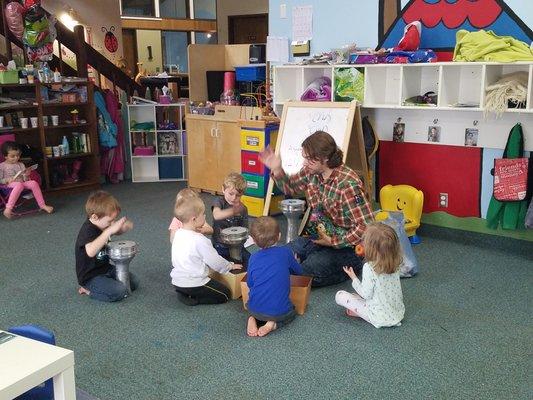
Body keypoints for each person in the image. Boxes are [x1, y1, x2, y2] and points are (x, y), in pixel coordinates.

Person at [259, 131, 374, 287]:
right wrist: (278, 170)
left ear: (325, 158)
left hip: (346, 247)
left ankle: (350, 268)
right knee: (281, 256)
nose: (305, 163)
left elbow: (366, 227)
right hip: (319, 235)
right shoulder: (311, 172)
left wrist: (333, 242)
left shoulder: (347, 184)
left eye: (309, 159)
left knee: (303, 271)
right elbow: (290, 187)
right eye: (304, 158)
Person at [171, 195, 242, 305]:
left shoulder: (178, 233)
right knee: (225, 295)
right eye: (203, 214)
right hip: (194, 283)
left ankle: (183, 293)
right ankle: (195, 299)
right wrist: (229, 266)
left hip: (177, 281)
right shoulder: (199, 240)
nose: (205, 216)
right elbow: (215, 261)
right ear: (194, 219)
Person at [335, 222, 405, 328]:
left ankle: (360, 313)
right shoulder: (395, 263)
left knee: (339, 295)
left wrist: (353, 278)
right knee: (358, 296)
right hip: (398, 313)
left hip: (378, 317)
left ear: (372, 249)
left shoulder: (369, 267)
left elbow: (366, 294)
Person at [75, 190, 137, 302]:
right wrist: (108, 232)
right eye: (110, 221)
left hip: (105, 269)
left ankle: (107, 283)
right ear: (94, 217)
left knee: (134, 282)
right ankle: (88, 290)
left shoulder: (102, 224)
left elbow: (114, 230)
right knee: (120, 292)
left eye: (114, 220)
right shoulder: (87, 230)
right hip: (90, 277)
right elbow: (90, 251)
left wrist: (123, 228)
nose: (112, 223)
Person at [245, 217, 303, 337]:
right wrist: (295, 261)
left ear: (254, 241)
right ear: (279, 236)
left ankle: (252, 318)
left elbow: (250, 283)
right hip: (278, 310)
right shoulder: (286, 252)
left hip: (254, 307)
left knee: (253, 304)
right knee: (292, 311)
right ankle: (273, 324)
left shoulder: (253, 257)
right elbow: (299, 272)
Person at [0, 141, 53, 219]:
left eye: (18, 155)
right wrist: (7, 180)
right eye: (12, 156)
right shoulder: (2, 166)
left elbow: (25, 180)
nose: (16, 158)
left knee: (33, 183)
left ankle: (42, 205)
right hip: (8, 186)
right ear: (5, 156)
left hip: (21, 184)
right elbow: (0, 180)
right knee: (19, 184)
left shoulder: (21, 164)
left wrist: (26, 175)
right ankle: (8, 208)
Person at [211, 172, 250, 266]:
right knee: (219, 264)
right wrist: (233, 211)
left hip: (237, 245)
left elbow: (244, 229)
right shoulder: (219, 201)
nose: (233, 198)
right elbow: (216, 215)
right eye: (231, 193)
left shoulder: (243, 208)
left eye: (238, 195)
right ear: (223, 189)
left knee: (251, 261)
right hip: (220, 245)